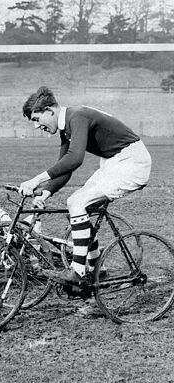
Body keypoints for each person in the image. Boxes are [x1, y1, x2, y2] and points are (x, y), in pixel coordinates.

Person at [19, 86, 151, 284]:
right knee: (77, 209)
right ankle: (98, 268)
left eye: (36, 120)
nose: (37, 126)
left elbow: (75, 159)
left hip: (131, 161)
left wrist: (35, 180)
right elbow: (65, 168)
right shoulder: (67, 126)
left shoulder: (77, 116)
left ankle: (77, 271)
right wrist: (45, 194)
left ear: (49, 111)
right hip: (115, 161)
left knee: (76, 203)